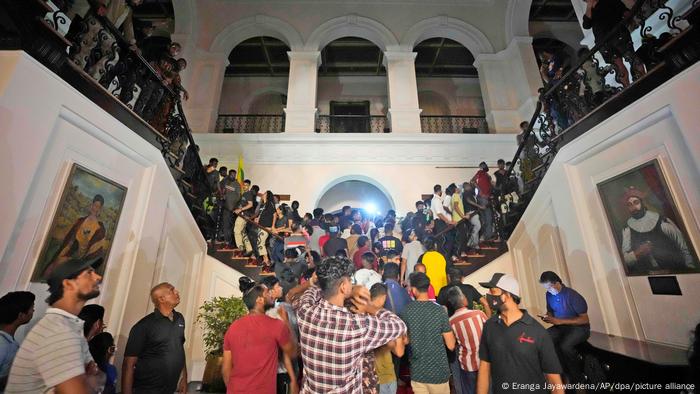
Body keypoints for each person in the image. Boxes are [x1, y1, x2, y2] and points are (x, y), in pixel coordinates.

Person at [286, 256, 407, 393]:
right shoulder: (356, 326)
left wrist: (328, 285)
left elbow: (309, 292)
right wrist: (369, 307)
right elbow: (399, 325)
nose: (352, 284)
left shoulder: (306, 312)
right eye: (350, 281)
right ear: (343, 287)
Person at [6, 257, 103, 393]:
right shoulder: (59, 330)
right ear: (68, 284)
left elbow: (95, 373)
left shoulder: (70, 326)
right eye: (89, 273)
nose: (98, 277)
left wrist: (88, 379)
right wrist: (88, 381)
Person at [477, 273, 563, 394]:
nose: (488, 296)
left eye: (493, 291)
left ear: (507, 295)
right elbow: (484, 368)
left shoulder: (538, 332)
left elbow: (554, 380)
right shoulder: (489, 326)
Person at [222, 283, 297, 394]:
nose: (270, 295)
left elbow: (226, 370)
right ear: (260, 300)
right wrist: (286, 321)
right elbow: (293, 352)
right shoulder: (276, 325)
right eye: (267, 292)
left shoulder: (233, 327)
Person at [122, 283, 188, 394]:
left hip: (170, 389)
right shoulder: (143, 326)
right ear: (161, 299)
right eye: (171, 291)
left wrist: (184, 378)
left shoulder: (179, 318)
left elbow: (179, 348)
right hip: (147, 389)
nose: (177, 292)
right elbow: (128, 364)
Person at [401, 272, 456, 394]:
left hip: (418, 372)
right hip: (439, 372)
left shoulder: (406, 311)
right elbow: (451, 345)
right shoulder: (440, 311)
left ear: (414, 290)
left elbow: (405, 341)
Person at [620, 186, 697, 274]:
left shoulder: (663, 222)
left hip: (675, 272)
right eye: (629, 205)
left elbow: (684, 248)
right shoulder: (627, 229)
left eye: (636, 202)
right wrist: (638, 253)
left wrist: (690, 270)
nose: (633, 207)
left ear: (643, 203)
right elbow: (624, 260)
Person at [539, 271, 590, 383]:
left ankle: (577, 377)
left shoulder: (572, 296)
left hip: (579, 328)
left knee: (565, 346)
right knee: (544, 339)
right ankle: (560, 374)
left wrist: (559, 321)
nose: (548, 290)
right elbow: (550, 311)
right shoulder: (549, 295)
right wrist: (548, 317)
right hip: (560, 327)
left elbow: (584, 319)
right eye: (546, 288)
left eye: (549, 287)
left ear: (557, 282)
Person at [582, 0, 645, 87]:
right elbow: (586, 25)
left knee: (632, 58)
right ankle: (628, 88)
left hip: (618, 35)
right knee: (619, 67)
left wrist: (631, 20)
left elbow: (624, 11)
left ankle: (644, 79)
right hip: (604, 43)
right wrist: (589, 7)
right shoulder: (590, 12)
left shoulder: (608, 1)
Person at [44, 194, 107, 279]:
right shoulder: (80, 221)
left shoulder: (100, 228)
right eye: (93, 205)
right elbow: (70, 238)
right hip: (71, 251)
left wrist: (82, 261)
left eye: (97, 206)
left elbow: (95, 251)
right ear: (91, 205)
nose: (94, 208)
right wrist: (65, 251)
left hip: (83, 259)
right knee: (56, 263)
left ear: (100, 209)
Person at [446, 287, 487, 394]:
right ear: (463, 299)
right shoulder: (479, 314)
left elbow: (451, 344)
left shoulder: (450, 322)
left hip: (467, 366)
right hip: (484, 364)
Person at [0, 292, 35, 392]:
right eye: (31, 308)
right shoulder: (2, 343)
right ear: (21, 315)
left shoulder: (9, 342)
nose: (33, 310)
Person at [471, 162, 494, 241]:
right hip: (483, 198)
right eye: (483, 166)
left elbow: (488, 185)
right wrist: (480, 191)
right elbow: (472, 181)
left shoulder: (486, 175)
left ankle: (484, 236)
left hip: (485, 198)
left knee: (486, 218)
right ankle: (487, 236)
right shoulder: (480, 172)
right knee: (488, 218)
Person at [220, 170, 241, 248]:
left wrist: (235, 207)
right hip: (225, 207)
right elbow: (221, 190)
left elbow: (239, 197)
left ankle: (230, 242)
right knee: (225, 225)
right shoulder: (226, 182)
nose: (233, 176)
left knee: (231, 226)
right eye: (232, 175)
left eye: (234, 175)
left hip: (232, 209)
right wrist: (223, 195)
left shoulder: (237, 185)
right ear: (229, 175)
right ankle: (226, 241)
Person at [234, 180, 255, 256]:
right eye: (244, 185)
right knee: (243, 232)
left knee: (236, 230)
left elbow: (250, 204)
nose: (244, 186)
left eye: (246, 185)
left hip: (244, 215)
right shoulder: (245, 194)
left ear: (249, 186)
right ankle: (249, 248)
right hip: (243, 215)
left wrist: (240, 209)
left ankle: (240, 247)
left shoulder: (248, 194)